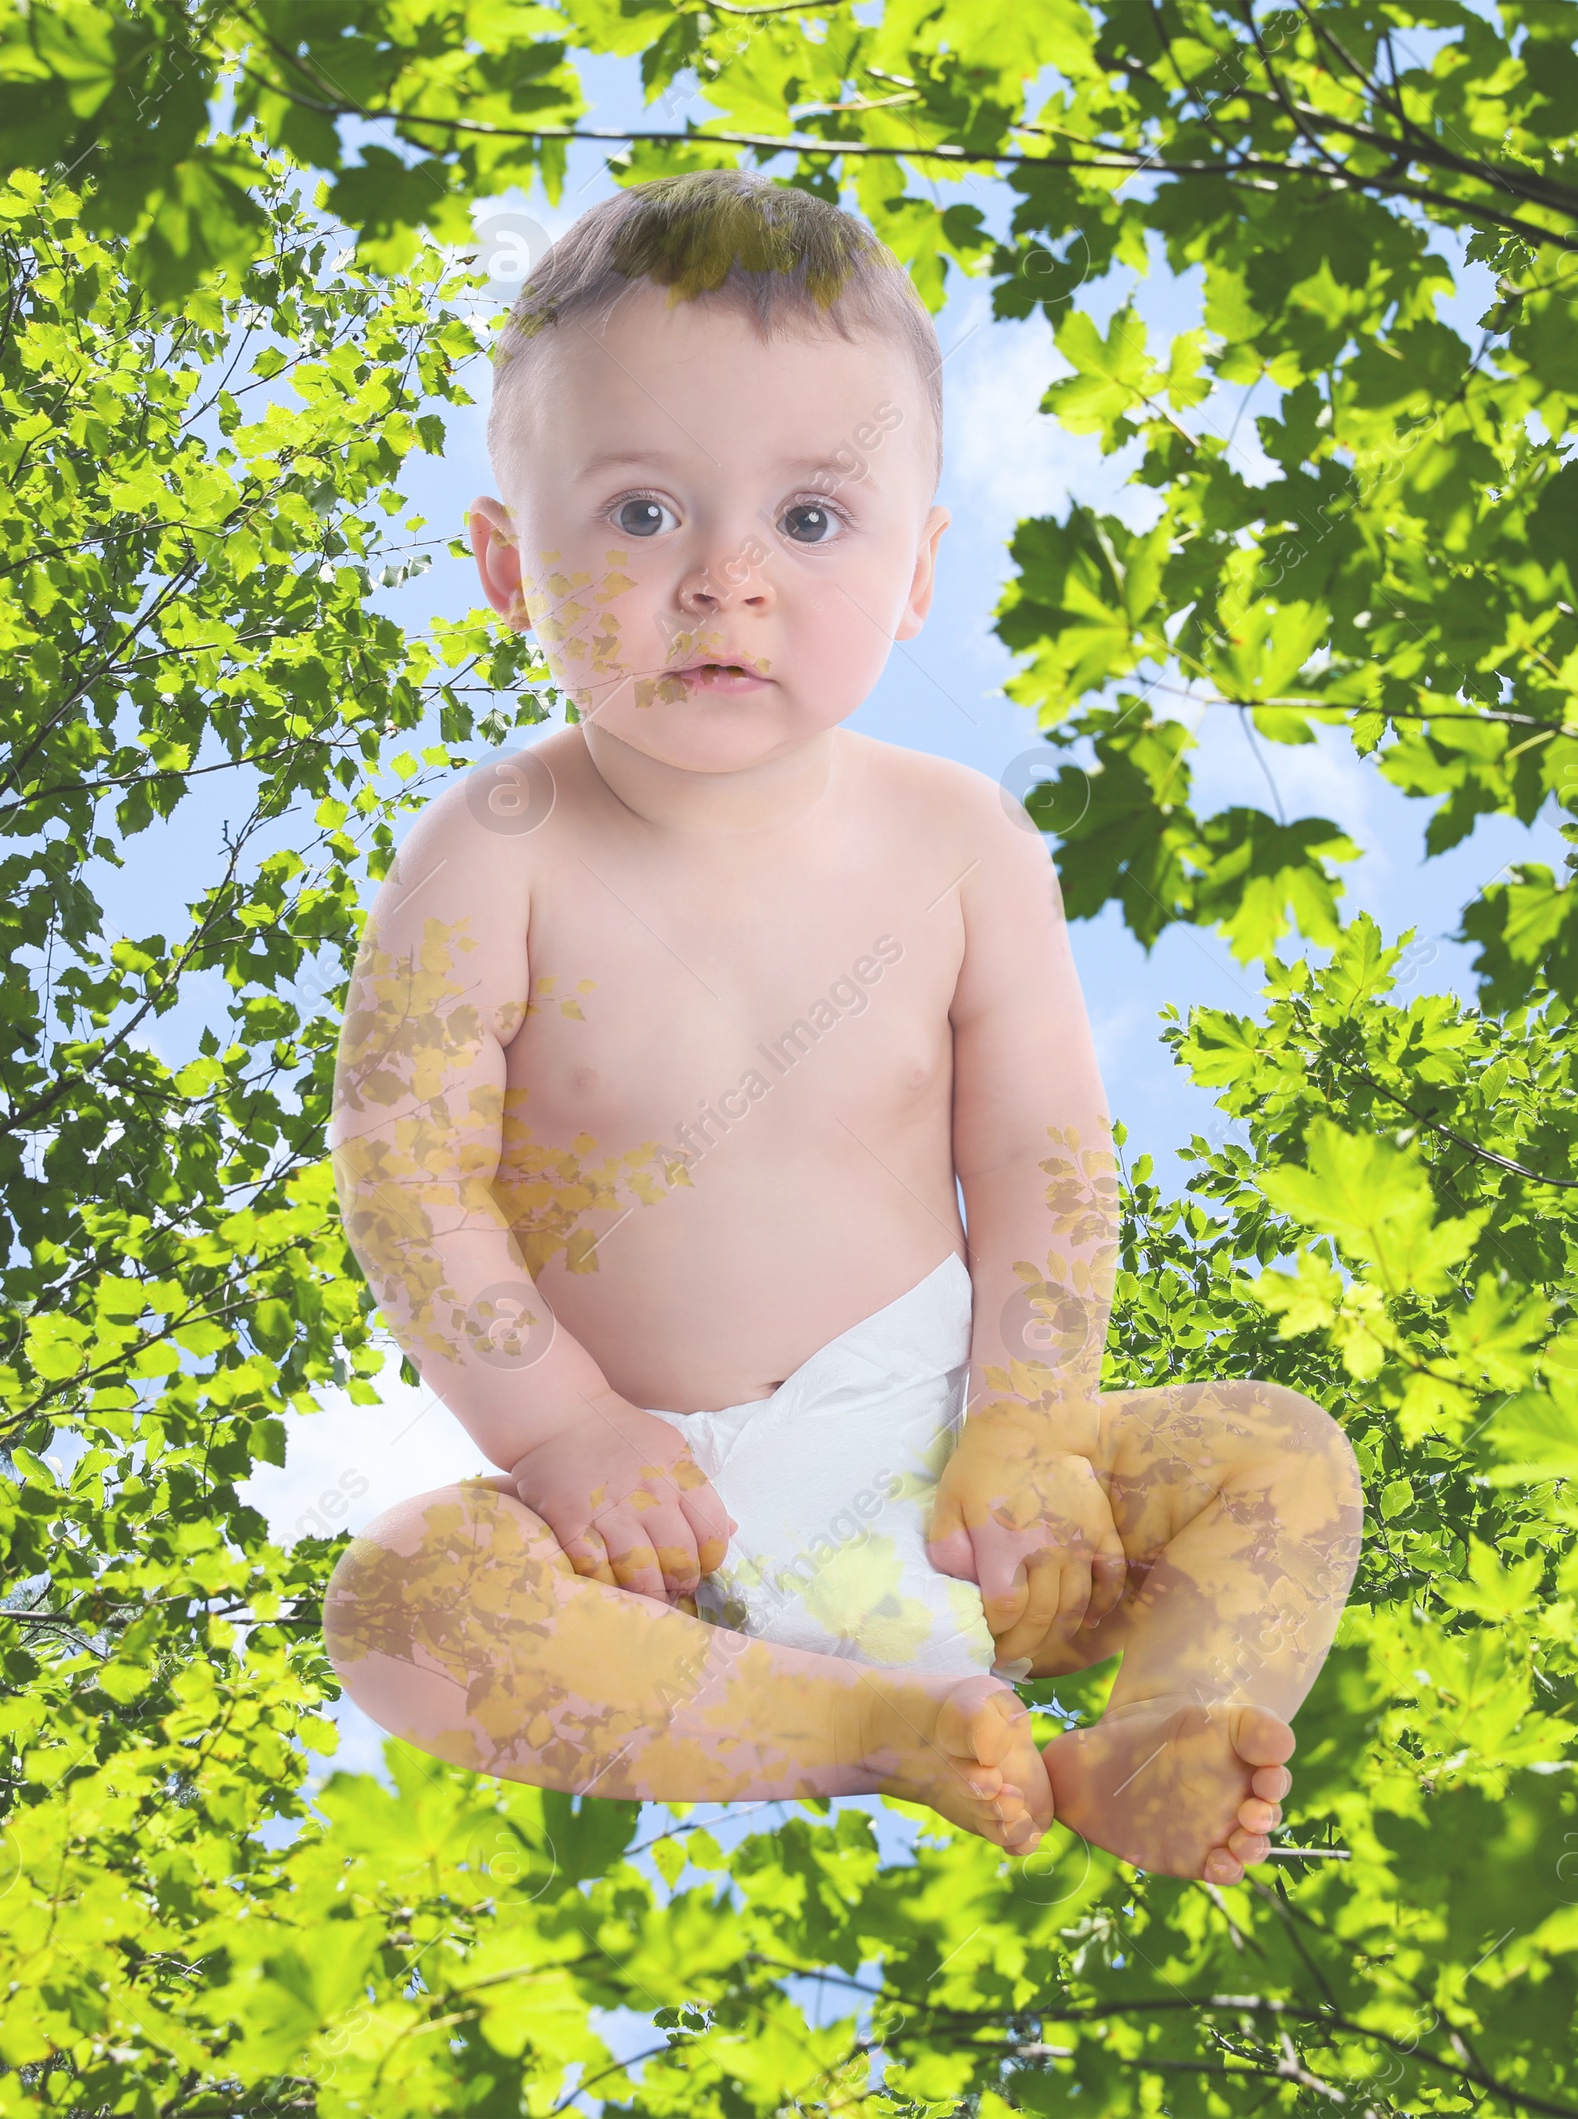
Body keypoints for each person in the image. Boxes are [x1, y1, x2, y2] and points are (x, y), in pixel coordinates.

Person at [324, 171, 1363, 1883]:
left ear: (913, 578)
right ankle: (870, 1733)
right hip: (654, 1528)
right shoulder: (487, 851)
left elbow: (1041, 1156)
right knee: (405, 1606)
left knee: (1279, 1457)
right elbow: (408, 1184)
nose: (725, 581)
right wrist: (563, 1431)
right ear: (514, 565)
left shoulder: (958, 841)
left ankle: (1152, 1741)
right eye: (644, 514)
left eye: (810, 521)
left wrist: (1032, 1416)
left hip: (967, 1458)